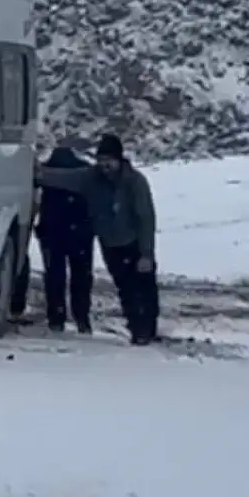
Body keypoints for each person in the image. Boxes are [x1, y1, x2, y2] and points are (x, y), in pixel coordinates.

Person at [39, 132, 159, 345]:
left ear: (119, 160)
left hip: (133, 243)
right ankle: (137, 328)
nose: (104, 165)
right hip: (110, 244)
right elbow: (63, 178)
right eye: (101, 160)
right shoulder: (91, 178)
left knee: (143, 288)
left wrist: (146, 253)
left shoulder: (134, 182)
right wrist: (38, 174)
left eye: (108, 161)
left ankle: (146, 329)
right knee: (125, 289)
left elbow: (146, 218)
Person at [35, 144, 96, 333]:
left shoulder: (45, 174)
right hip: (80, 233)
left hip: (52, 232)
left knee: (54, 276)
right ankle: (82, 317)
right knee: (82, 276)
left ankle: (56, 317)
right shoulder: (85, 172)